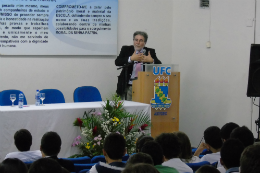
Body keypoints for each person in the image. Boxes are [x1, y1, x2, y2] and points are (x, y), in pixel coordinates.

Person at [115, 31, 162, 100]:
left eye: (141, 40)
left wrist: (151, 61)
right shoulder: (126, 49)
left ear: (145, 43)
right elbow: (117, 62)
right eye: (136, 40)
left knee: (141, 107)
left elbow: (160, 65)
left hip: (144, 85)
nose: (138, 43)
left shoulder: (150, 51)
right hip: (128, 85)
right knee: (127, 108)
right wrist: (131, 58)